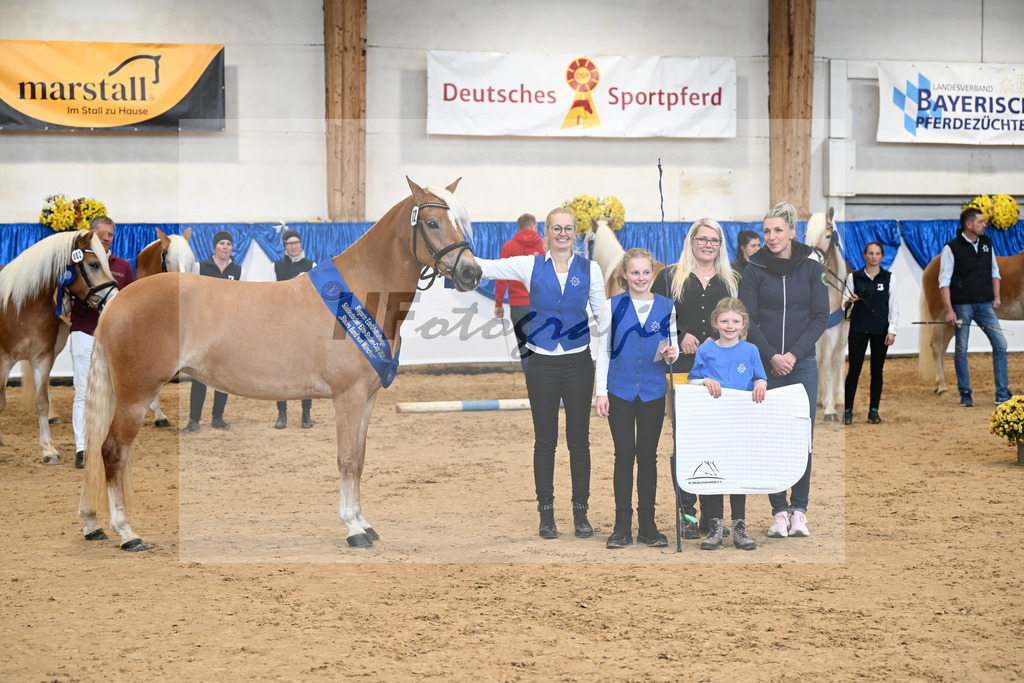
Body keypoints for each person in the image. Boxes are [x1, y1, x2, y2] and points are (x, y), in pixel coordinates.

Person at [476, 207, 605, 539]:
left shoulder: (590, 269)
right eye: (556, 228)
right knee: (545, 442)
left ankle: (581, 513)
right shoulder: (529, 264)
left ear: (576, 233)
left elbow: (605, 320)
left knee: (579, 443)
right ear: (546, 232)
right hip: (542, 364)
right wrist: (452, 255)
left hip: (579, 364)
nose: (563, 233)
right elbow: (489, 268)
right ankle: (546, 514)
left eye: (569, 228)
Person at [739, 202, 828, 539]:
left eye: (778, 230)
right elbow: (749, 319)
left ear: (793, 232)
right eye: (766, 231)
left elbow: (820, 316)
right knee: (770, 436)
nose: (772, 237)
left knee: (802, 437)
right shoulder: (753, 269)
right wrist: (773, 356)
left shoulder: (811, 266)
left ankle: (799, 510)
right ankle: (778, 511)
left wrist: (792, 354)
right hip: (766, 364)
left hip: (802, 363)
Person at [651, 218, 739, 540]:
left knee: (715, 441)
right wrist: (676, 336)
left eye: (713, 240)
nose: (707, 245)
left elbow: (740, 323)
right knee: (685, 439)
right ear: (691, 241)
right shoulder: (670, 276)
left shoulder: (732, 279)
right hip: (682, 371)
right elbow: (653, 321)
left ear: (720, 244)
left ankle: (712, 515)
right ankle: (686, 511)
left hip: (722, 374)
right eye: (701, 239)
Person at [595, 248, 678, 549]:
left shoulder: (667, 306)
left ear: (653, 274)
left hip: (654, 392)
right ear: (624, 275)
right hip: (619, 390)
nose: (640, 278)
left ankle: (648, 525)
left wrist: (672, 352)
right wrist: (600, 392)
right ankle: (621, 526)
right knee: (623, 456)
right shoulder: (611, 306)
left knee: (648, 456)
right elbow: (603, 351)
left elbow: (674, 348)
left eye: (646, 272)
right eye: (634, 272)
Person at [687, 298, 768, 551]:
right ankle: (714, 528)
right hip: (712, 423)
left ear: (744, 324)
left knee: (736, 474)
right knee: (714, 472)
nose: (729, 326)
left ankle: (740, 528)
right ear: (715, 323)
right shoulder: (706, 350)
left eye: (735, 321)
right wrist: (705, 382)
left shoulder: (751, 350)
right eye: (724, 321)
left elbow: (761, 377)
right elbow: (692, 380)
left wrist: (761, 383)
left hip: (740, 422)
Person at [69, 216, 136, 468]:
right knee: (83, 391)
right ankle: (82, 447)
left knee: (113, 394)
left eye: (110, 234)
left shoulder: (124, 267)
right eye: (102, 233)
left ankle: (107, 443)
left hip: (114, 339)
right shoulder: (77, 264)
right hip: (85, 332)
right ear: (91, 235)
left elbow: (130, 303)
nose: (107, 238)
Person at [939, 207, 1011, 407]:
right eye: (980, 222)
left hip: (986, 305)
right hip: (962, 306)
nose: (984, 224)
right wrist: (949, 309)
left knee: (1000, 344)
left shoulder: (987, 243)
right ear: (969, 225)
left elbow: (994, 271)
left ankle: (1002, 393)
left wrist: (996, 296)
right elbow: (944, 281)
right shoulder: (951, 248)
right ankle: (965, 392)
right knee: (961, 348)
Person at [182, 230, 242, 433]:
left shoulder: (238, 270)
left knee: (222, 376)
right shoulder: (200, 267)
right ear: (214, 246)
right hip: (203, 330)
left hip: (227, 330)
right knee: (200, 376)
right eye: (221, 243)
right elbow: (190, 296)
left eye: (228, 243)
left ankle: (218, 417)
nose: (225, 246)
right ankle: (194, 420)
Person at [843, 241, 898, 424]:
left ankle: (874, 411)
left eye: (877, 254)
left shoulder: (889, 278)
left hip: (880, 331)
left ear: (882, 256)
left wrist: (892, 330)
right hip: (858, 329)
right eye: (871, 253)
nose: (874, 257)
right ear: (864, 255)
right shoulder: (854, 277)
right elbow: (844, 305)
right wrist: (850, 301)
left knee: (877, 371)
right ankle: (848, 410)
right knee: (854, 370)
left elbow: (894, 306)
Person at [273, 228, 316, 429]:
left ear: (300, 243)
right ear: (284, 246)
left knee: (306, 370)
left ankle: (306, 414)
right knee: (280, 371)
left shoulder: (311, 266)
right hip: (282, 325)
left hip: (305, 326)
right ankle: (282, 414)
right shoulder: (276, 266)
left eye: (296, 242)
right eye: (289, 243)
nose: (293, 246)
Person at [493, 213, 546, 372]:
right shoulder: (544, 246)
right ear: (532, 226)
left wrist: (498, 303)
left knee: (525, 347)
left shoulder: (508, 247)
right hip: (541, 305)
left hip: (518, 306)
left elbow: (501, 278)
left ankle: (532, 384)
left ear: (520, 227)